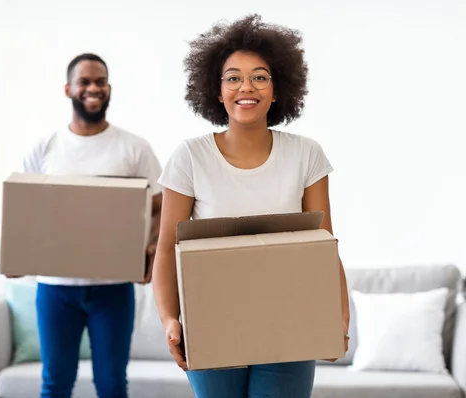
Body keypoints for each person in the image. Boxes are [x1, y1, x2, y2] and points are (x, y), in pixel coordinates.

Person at [152, 14, 350, 398]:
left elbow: (325, 244)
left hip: (290, 318)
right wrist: (169, 319)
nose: (247, 86)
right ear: (217, 90)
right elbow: (165, 250)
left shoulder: (306, 155)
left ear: (277, 90)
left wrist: (336, 316)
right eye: (233, 77)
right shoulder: (190, 156)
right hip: (211, 320)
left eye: (260, 76)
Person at [18, 53, 163, 398]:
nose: (93, 88)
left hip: (113, 288)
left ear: (109, 88)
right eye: (84, 81)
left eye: (100, 81)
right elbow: (23, 209)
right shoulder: (45, 147)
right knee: (55, 383)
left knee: (112, 384)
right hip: (56, 288)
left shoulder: (134, 147)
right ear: (69, 89)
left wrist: (153, 248)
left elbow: (161, 207)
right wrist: (17, 256)